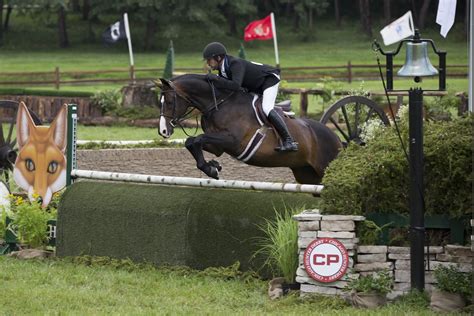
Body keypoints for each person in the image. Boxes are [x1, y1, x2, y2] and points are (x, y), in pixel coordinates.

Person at [202, 42, 298, 152]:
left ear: (218, 58)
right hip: (255, 85)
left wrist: (216, 79)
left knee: (266, 108)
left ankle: (289, 141)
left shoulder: (235, 64)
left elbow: (236, 85)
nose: (208, 63)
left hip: (269, 80)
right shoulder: (223, 69)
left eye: (209, 59)